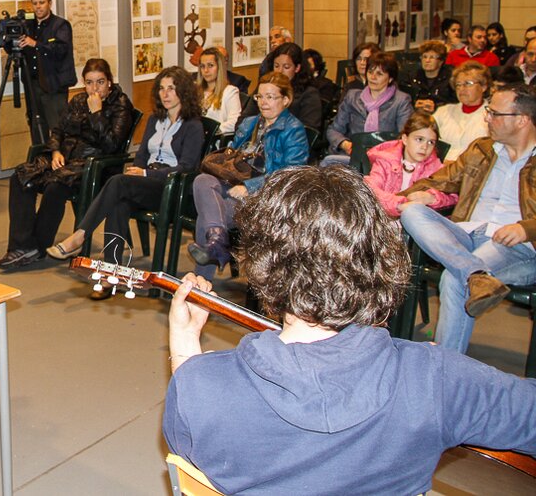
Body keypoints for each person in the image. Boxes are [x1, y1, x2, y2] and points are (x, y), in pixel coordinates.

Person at [164, 166, 536, 496]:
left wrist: (184, 349)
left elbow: (191, 444)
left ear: (262, 267)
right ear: (381, 260)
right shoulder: (436, 377)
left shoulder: (200, 385)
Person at [400, 83, 536, 353]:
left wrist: (526, 228)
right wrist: (411, 195)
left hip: (515, 245)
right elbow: (439, 180)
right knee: (411, 211)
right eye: (488, 112)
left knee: (453, 278)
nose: (487, 118)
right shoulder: (482, 149)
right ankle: (475, 273)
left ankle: (446, 365)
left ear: (522, 120)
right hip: (466, 234)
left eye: (495, 113)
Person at [46, 67, 203, 270]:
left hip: (172, 187)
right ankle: (111, 272)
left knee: (117, 182)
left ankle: (80, 235)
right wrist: (137, 170)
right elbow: (142, 155)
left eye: (172, 88)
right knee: (119, 202)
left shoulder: (193, 125)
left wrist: (146, 173)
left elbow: (186, 167)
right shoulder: (156, 119)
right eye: (162, 88)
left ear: (184, 91)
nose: (165, 94)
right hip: (148, 182)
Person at [0, 58, 133, 270]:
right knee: (21, 177)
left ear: (109, 82)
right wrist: (55, 151)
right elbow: (58, 130)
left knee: (56, 186)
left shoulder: (121, 105)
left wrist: (97, 113)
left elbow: (111, 145)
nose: (94, 88)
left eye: (100, 82)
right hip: (66, 160)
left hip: (94, 166)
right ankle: (22, 245)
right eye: (89, 82)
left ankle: (38, 247)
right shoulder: (79, 100)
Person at [186, 72, 309, 277]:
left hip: (264, 195)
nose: (263, 102)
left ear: (285, 100)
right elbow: (232, 156)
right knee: (202, 180)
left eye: (270, 97)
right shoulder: (250, 123)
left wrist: (249, 187)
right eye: (260, 97)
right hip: (233, 183)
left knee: (207, 216)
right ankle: (217, 243)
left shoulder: (293, 130)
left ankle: (202, 283)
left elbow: (290, 174)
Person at [324, 51, 413, 167]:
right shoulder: (352, 97)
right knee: (327, 163)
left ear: (390, 78)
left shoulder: (401, 101)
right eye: (370, 72)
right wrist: (345, 144)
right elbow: (333, 130)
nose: (373, 77)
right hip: (352, 156)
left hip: (385, 160)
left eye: (379, 74)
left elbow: (404, 137)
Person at [363, 111, 457, 218]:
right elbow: (371, 189)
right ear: (405, 139)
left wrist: (432, 198)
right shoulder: (385, 160)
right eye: (419, 139)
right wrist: (400, 205)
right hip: (384, 220)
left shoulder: (436, 168)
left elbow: (454, 198)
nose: (424, 147)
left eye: (431, 142)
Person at [19, 0, 77, 134]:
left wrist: (36, 44)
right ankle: (40, 157)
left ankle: (59, 156)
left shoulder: (60, 25)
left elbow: (60, 50)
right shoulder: (27, 25)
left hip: (54, 86)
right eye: (35, 3)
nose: (38, 6)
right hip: (33, 86)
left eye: (42, 2)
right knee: (36, 127)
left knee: (58, 128)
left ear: (49, 3)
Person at [242, 42, 323, 132]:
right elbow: (243, 121)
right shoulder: (264, 88)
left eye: (286, 67)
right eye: (276, 66)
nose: (280, 71)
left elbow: (308, 131)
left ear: (297, 68)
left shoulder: (309, 94)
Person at [433, 60, 491, 161]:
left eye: (468, 83)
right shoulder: (443, 112)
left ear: (483, 86)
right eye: (458, 85)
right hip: (438, 168)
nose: (461, 89)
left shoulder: (492, 116)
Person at [401, 39, 455, 113]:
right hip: (417, 115)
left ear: (441, 61)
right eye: (424, 57)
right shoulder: (412, 76)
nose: (427, 60)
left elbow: (455, 103)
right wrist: (414, 104)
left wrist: (436, 106)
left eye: (432, 57)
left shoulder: (450, 78)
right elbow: (404, 99)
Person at [194, 48, 240, 134]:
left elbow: (235, 122)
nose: (206, 70)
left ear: (219, 67)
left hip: (215, 140)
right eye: (202, 66)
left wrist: (211, 130)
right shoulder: (195, 91)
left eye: (210, 65)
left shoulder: (230, 92)